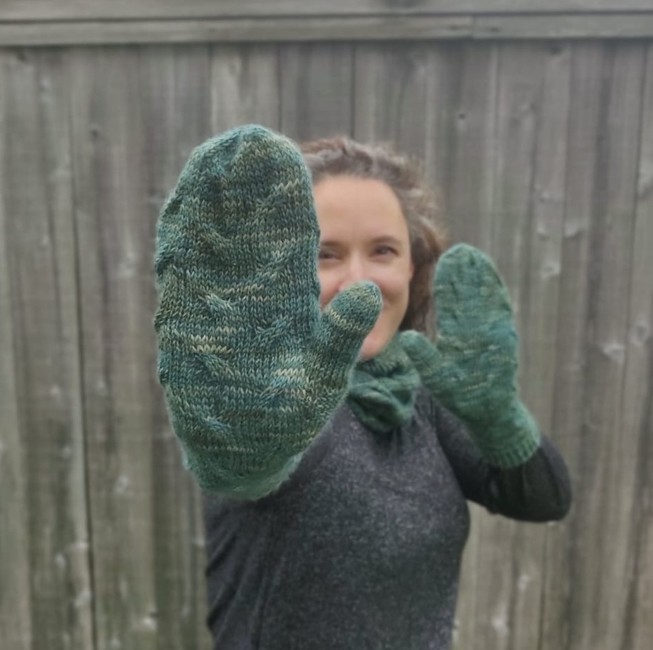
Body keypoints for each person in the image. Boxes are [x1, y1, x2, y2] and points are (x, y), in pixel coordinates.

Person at [153, 125, 572, 650]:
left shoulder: (421, 395)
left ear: (412, 265)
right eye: (325, 254)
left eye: (383, 251)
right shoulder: (268, 398)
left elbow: (546, 500)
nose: (360, 280)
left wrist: (500, 420)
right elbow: (242, 458)